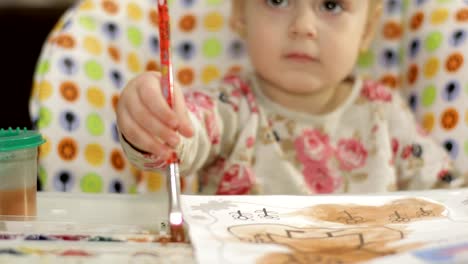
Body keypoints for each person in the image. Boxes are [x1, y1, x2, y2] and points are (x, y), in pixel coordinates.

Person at [116, 0, 465, 195]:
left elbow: (450, 194)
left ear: (368, 31)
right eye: (278, 0)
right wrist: (154, 118)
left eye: (330, 5)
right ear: (240, 14)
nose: (303, 26)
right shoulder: (229, 108)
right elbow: (184, 137)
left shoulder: (386, 113)